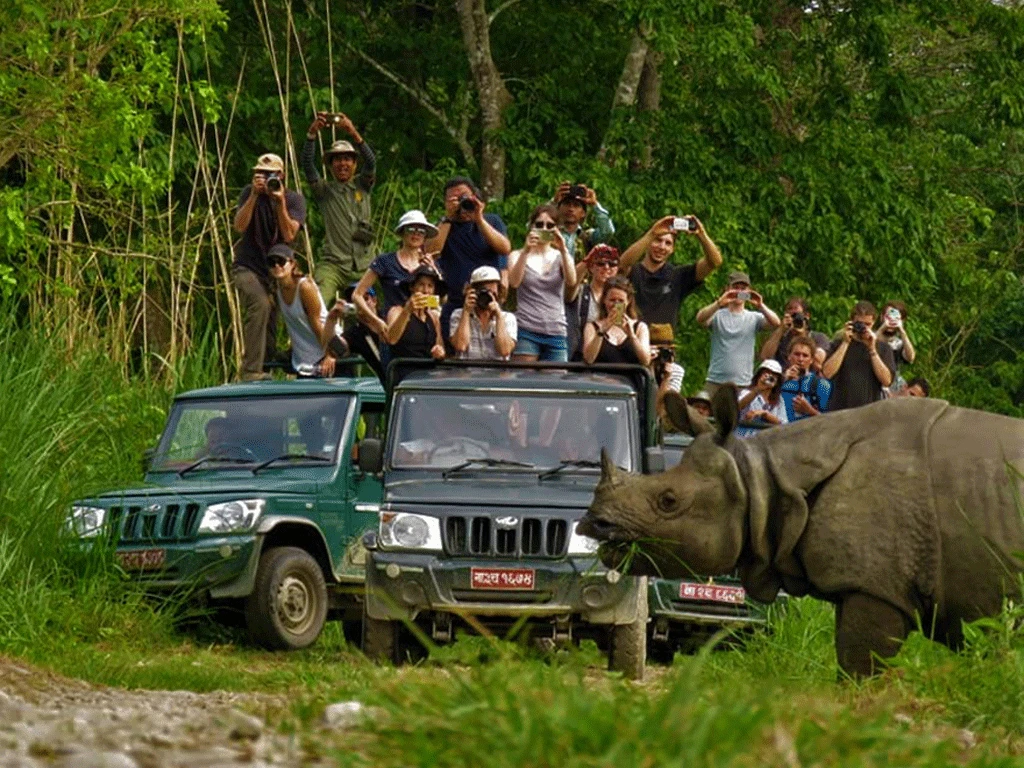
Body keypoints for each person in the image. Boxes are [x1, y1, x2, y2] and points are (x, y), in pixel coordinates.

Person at [232, 153, 307, 380]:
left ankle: (269, 362)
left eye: (270, 175)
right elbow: (239, 226)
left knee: (281, 310)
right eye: (260, 174)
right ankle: (251, 370)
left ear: (281, 175)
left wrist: (280, 202)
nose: (265, 179)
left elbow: (289, 234)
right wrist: (254, 195)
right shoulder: (249, 193)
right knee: (261, 304)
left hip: (276, 268)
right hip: (247, 265)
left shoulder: (293, 200)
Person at [301, 112, 376, 304]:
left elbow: (371, 162)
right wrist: (312, 134)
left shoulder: (363, 185)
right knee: (316, 303)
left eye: (347, 159)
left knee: (369, 311)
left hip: (364, 266)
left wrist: (352, 131)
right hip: (334, 263)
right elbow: (308, 165)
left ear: (354, 163)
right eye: (337, 159)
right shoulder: (324, 190)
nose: (343, 163)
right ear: (331, 165)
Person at [426, 177, 511, 341]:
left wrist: (478, 218)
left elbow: (505, 248)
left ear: (475, 196)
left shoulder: (491, 220)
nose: (461, 203)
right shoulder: (444, 226)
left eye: (464, 197)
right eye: (454, 199)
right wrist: (448, 217)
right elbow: (431, 250)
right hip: (456, 301)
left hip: (488, 301)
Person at [618, 214, 723, 331]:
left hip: (664, 344)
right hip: (632, 341)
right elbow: (621, 264)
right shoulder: (632, 271)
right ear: (647, 242)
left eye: (668, 243)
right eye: (658, 240)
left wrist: (701, 234)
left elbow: (714, 262)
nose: (662, 247)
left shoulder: (678, 275)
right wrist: (652, 233)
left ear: (673, 249)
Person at [351, 210, 440, 337]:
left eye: (421, 231)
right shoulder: (385, 261)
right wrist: (376, 321)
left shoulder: (428, 264)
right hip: (392, 327)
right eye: (411, 229)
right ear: (402, 233)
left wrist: (433, 271)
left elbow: (439, 300)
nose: (416, 234)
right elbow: (357, 295)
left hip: (421, 329)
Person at [508, 204, 576, 362]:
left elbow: (572, 281)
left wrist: (564, 248)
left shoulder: (560, 256)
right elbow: (514, 282)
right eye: (539, 225)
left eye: (550, 225)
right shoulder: (517, 254)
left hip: (556, 329)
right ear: (531, 226)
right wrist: (526, 250)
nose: (544, 229)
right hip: (527, 328)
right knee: (524, 381)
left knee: (556, 383)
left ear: (557, 228)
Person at [695, 271, 781, 395]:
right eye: (735, 288)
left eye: (743, 288)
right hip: (715, 381)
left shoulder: (754, 317)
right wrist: (719, 302)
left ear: (749, 291)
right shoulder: (717, 315)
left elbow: (776, 323)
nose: (739, 292)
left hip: (743, 383)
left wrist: (761, 305)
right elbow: (700, 319)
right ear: (727, 289)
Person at [268, 244, 345, 377]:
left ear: (292, 264)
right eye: (271, 262)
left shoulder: (305, 288)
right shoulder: (277, 290)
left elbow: (317, 325)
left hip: (328, 347)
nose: (276, 266)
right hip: (305, 360)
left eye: (281, 261)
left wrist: (330, 354)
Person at [821, 300, 896, 411]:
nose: (863, 328)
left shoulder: (883, 348)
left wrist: (872, 350)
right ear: (852, 321)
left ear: (873, 322)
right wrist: (846, 343)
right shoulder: (838, 344)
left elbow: (886, 381)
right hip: (840, 411)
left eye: (867, 324)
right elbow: (827, 373)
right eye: (860, 324)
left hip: (868, 413)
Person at [566, 244, 620, 361]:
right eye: (600, 263)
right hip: (580, 356)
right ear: (591, 267)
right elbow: (570, 284)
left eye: (612, 264)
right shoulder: (580, 291)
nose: (606, 267)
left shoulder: (620, 295)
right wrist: (588, 258)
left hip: (610, 355)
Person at [450, 266, 517, 360]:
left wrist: (498, 316)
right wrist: (466, 312)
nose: (488, 297)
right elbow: (461, 346)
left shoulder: (507, 318)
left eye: (493, 293)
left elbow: (504, 351)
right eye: (484, 293)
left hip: (496, 373)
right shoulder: (458, 315)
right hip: (467, 372)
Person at [581, 276, 651, 365]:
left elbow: (646, 361)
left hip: (630, 377)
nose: (616, 305)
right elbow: (588, 359)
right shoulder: (592, 327)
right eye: (612, 300)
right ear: (604, 300)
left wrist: (632, 336)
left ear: (628, 301)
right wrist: (602, 332)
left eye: (621, 301)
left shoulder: (640, 327)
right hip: (600, 377)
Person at [383, 265, 446, 360]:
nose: (425, 291)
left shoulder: (433, 317)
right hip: (405, 368)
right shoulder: (396, 311)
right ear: (412, 287)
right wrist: (407, 310)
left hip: (428, 369)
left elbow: (440, 345)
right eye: (421, 285)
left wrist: (439, 352)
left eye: (430, 286)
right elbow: (391, 339)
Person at [759, 296, 830, 371]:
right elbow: (765, 357)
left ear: (807, 316)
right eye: (791, 314)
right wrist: (781, 329)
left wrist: (802, 335)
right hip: (784, 379)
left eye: (797, 314)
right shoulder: (781, 336)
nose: (794, 319)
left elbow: (818, 363)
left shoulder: (818, 337)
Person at [553, 182, 615, 260]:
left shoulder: (587, 237)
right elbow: (537, 225)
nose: (571, 209)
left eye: (576, 205)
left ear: (583, 213)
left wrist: (594, 204)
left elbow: (608, 231)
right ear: (558, 209)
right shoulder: (549, 233)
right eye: (567, 204)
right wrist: (554, 202)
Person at [779, 337, 832, 422]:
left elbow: (829, 420)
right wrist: (782, 380)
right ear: (789, 356)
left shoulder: (821, 385)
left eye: (805, 355)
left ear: (811, 360)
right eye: (797, 354)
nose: (800, 359)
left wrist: (809, 410)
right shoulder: (777, 381)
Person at [876, 301, 916, 394]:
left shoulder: (898, 343)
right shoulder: (872, 335)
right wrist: (883, 328)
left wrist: (902, 331)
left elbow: (911, 358)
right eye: (888, 316)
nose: (892, 319)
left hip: (891, 388)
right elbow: (868, 345)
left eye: (896, 317)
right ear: (882, 317)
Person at [649, 324, 685, 421]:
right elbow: (648, 402)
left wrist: (666, 378)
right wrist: (649, 367)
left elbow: (663, 406)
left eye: (665, 351)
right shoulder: (643, 368)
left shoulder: (677, 371)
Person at [738, 359, 788, 426]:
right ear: (759, 375)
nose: (770, 377)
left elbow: (784, 424)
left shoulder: (779, 400)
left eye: (774, 374)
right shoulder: (747, 393)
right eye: (767, 373)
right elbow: (737, 407)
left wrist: (765, 414)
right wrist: (758, 389)